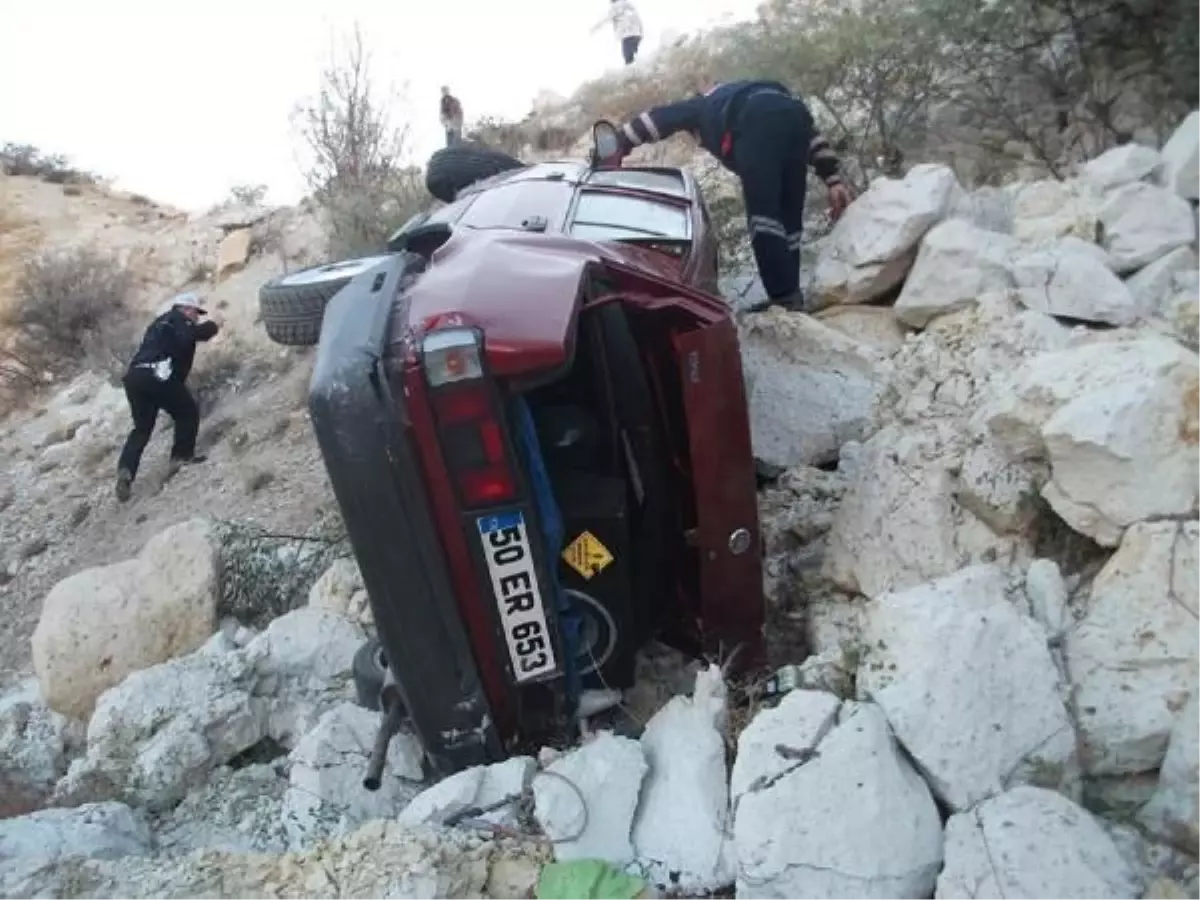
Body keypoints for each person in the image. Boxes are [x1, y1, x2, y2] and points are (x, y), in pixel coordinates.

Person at [607, 79, 854, 312]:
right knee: (789, 219)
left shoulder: (703, 105)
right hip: (794, 115)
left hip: (755, 123)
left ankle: (784, 299)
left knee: (764, 218)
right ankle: (791, 293)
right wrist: (833, 180)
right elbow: (810, 134)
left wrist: (618, 143)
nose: (702, 144)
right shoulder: (750, 93)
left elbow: (657, 119)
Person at [115, 292, 219, 502]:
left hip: (135, 377)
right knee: (187, 412)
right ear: (187, 309)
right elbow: (191, 335)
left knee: (141, 429)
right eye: (195, 313)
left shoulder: (158, 323)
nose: (196, 318)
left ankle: (125, 470)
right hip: (157, 375)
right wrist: (213, 326)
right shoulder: (178, 320)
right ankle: (181, 457)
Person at [591, 0, 643, 66]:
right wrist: (641, 32)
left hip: (627, 36)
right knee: (633, 58)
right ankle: (638, 72)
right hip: (636, 35)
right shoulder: (628, 4)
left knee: (629, 60)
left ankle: (634, 74)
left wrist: (593, 29)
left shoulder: (615, 7)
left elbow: (605, 19)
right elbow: (637, 18)